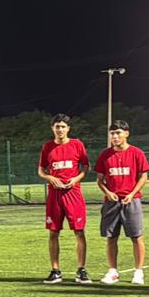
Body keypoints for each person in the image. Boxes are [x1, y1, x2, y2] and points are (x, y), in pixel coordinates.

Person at [93, 120, 149, 285]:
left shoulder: (137, 153)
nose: (115, 136)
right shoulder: (105, 155)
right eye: (112, 133)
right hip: (111, 202)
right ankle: (113, 271)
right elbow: (100, 180)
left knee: (136, 237)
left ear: (126, 133)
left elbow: (144, 177)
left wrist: (132, 194)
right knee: (111, 237)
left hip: (131, 201)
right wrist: (108, 192)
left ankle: (138, 272)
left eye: (118, 133)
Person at [38, 113, 91, 284]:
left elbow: (85, 167)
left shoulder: (77, 145)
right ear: (52, 128)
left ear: (68, 128)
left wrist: (75, 179)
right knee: (53, 232)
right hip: (54, 195)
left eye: (63, 127)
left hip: (73, 193)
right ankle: (55, 271)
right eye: (57, 126)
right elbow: (41, 170)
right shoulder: (47, 147)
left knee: (79, 231)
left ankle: (81, 270)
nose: (60, 129)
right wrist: (50, 178)